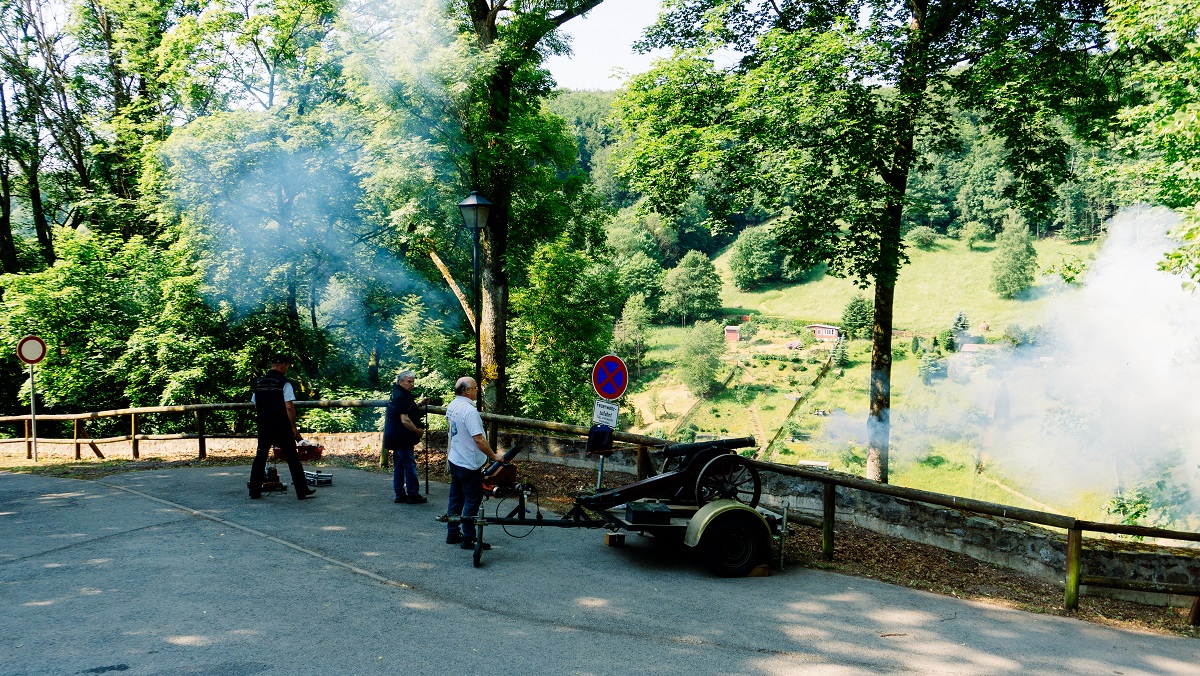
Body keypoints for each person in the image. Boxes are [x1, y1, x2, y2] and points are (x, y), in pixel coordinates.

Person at [445, 376, 504, 549]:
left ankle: (452, 533)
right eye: (475, 388)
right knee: (472, 500)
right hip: (468, 463)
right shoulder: (469, 411)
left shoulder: (452, 405)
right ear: (467, 390)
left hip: (455, 459)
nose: (478, 390)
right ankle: (469, 538)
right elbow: (478, 439)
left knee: (455, 498)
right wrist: (494, 456)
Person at [248, 354, 316, 500]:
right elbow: (289, 407)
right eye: (287, 367)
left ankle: (254, 491)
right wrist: (294, 427)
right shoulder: (284, 383)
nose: (287, 370)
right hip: (281, 426)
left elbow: (255, 406)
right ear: (284, 365)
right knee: (292, 458)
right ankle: (301, 490)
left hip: (264, 425)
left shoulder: (259, 383)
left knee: (260, 456)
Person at [383, 370, 428, 504]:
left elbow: (407, 409)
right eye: (409, 381)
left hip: (395, 436)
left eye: (413, 381)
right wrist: (417, 431)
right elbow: (405, 419)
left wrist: (420, 404)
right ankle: (413, 494)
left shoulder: (398, 393)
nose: (412, 384)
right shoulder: (401, 396)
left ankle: (399, 494)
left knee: (399, 465)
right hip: (402, 437)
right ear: (400, 381)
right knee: (409, 465)